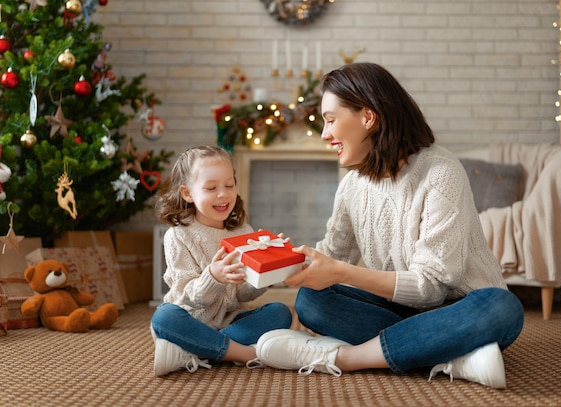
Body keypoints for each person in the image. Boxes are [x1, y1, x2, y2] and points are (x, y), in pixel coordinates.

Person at [253, 62, 525, 389]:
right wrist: (273, 265)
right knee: (312, 300)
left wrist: (340, 272)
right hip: (403, 313)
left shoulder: (440, 174)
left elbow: (432, 287)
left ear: (368, 117)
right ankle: (454, 356)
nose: (325, 135)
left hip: (459, 309)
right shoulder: (352, 185)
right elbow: (330, 256)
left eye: (330, 120)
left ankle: (343, 358)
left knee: (502, 307)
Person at [150, 145, 293, 376]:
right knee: (163, 317)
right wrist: (213, 278)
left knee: (280, 312)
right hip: (190, 319)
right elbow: (187, 297)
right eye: (211, 188)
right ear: (188, 193)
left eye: (229, 185)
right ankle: (247, 354)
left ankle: (194, 350)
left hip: (229, 322)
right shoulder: (178, 236)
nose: (223, 194)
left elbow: (242, 294)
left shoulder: (243, 231)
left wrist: (269, 270)